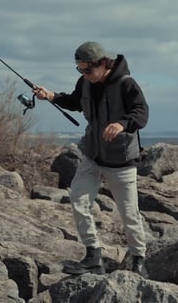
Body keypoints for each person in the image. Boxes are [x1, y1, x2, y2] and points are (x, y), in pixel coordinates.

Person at [32, 41, 149, 277]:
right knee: (78, 199)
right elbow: (75, 102)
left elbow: (141, 113)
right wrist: (52, 96)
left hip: (121, 161)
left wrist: (121, 124)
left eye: (87, 70)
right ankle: (93, 256)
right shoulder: (85, 83)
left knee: (129, 213)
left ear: (103, 64)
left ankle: (138, 259)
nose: (84, 74)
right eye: (79, 70)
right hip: (92, 155)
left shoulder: (127, 84)